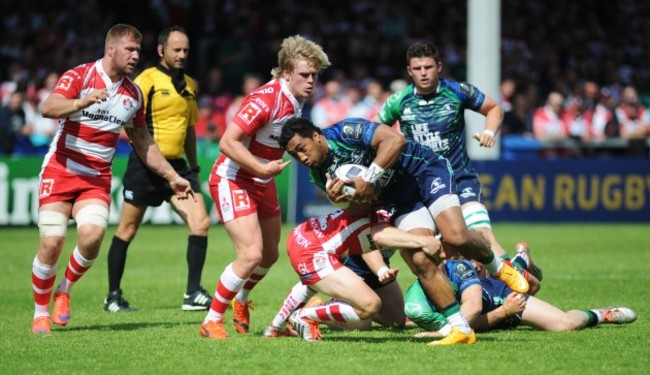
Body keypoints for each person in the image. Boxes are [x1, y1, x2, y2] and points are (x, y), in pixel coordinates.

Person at [279, 116, 529, 345]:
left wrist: (369, 177)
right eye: (294, 155)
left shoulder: (345, 131)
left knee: (456, 237)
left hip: (424, 170)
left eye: (302, 148)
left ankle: (498, 267)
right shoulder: (319, 175)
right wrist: (340, 201)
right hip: (399, 199)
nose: (301, 157)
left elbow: (395, 139)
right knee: (419, 256)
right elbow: (360, 211)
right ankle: (461, 328)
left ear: (316, 135)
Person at [30, 24, 194, 335]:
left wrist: (173, 176)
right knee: (51, 243)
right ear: (111, 50)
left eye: (138, 50)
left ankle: (64, 290)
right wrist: (81, 102)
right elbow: (48, 108)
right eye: (129, 50)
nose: (136, 56)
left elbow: (142, 141)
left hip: (96, 178)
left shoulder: (133, 95)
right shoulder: (79, 76)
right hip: (60, 170)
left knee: (91, 238)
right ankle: (40, 314)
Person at [376, 43, 541, 286]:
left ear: (439, 67)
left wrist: (489, 131)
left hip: (459, 179)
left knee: (481, 236)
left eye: (428, 67)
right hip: (419, 186)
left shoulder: (457, 91)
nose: (423, 72)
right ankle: (518, 266)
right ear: (409, 71)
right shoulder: (398, 102)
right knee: (437, 250)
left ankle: (515, 287)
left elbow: (494, 108)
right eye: (417, 68)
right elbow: (376, 134)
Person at [199, 35, 331, 339]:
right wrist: (260, 168)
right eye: (304, 75)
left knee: (270, 255)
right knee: (250, 254)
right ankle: (211, 320)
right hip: (234, 177)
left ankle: (241, 300)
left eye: (314, 75)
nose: (311, 81)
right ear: (286, 73)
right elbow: (226, 142)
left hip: (261, 179)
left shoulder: (298, 99)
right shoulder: (265, 100)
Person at [103, 26, 212, 312]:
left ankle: (192, 294)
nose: (182, 55)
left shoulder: (190, 84)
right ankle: (113, 296)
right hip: (146, 166)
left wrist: (195, 167)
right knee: (127, 230)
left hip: (178, 168)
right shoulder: (146, 80)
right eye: (176, 50)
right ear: (162, 50)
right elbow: (130, 124)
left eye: (186, 50)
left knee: (200, 223)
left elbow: (189, 130)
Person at [263, 206, 440, 341]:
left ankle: (275, 328)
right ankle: (306, 315)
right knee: (367, 310)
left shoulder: (389, 205)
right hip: (319, 253)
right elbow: (374, 240)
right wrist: (423, 241)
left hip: (306, 238)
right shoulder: (385, 209)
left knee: (396, 321)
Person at [404, 259, 636, 340]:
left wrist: (505, 311)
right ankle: (520, 262)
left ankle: (602, 314)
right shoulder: (416, 304)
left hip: (500, 297)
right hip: (500, 311)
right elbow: (461, 328)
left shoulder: (459, 268)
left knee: (564, 324)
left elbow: (470, 315)